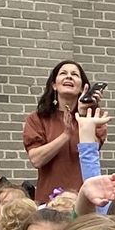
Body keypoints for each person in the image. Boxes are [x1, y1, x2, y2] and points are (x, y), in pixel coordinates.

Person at [22, 61, 108, 203]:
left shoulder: (93, 117)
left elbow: (92, 152)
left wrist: (82, 115)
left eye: (75, 74)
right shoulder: (37, 118)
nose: (69, 77)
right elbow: (36, 159)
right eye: (63, 73)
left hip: (84, 199)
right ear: (54, 85)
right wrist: (65, 135)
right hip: (49, 200)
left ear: (83, 88)